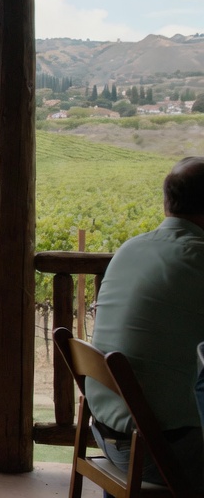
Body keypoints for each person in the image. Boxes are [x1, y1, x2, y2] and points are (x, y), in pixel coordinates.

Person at [87, 156, 204, 490]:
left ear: (167, 202)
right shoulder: (199, 259)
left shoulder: (130, 248)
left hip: (107, 437)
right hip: (164, 453)